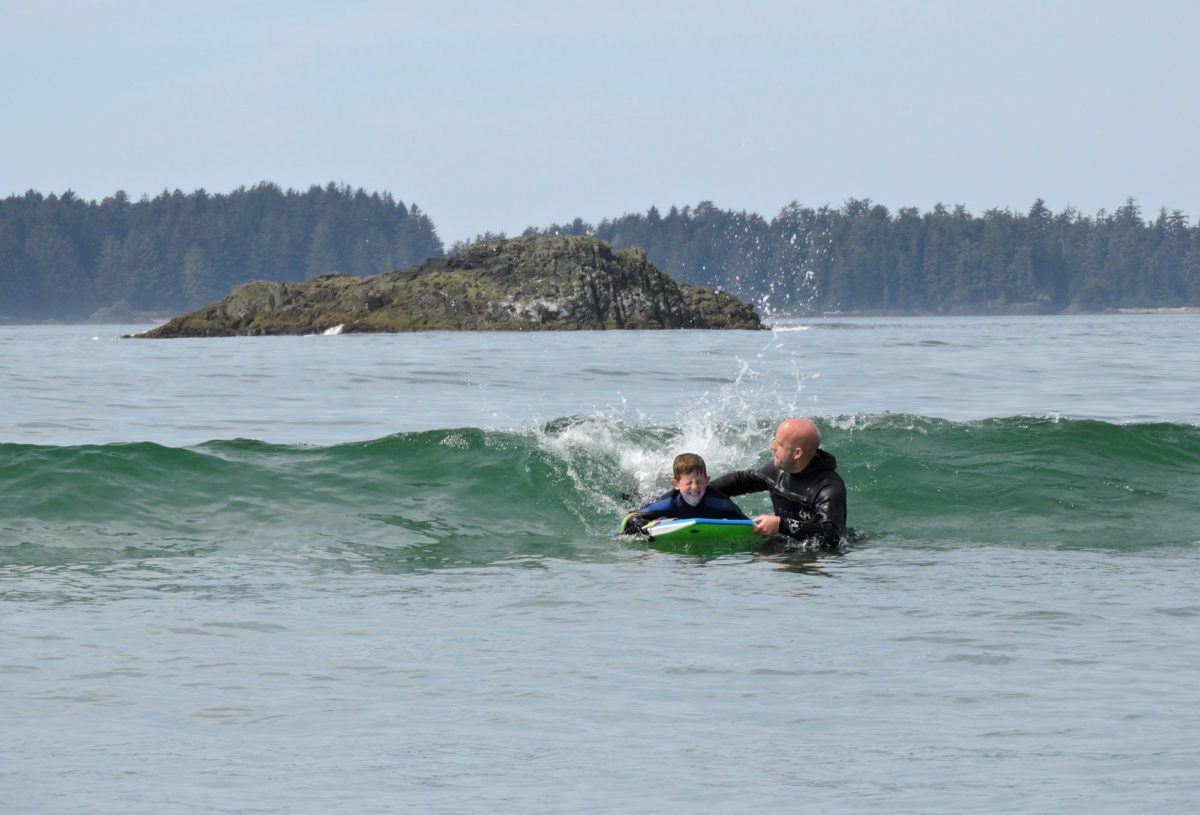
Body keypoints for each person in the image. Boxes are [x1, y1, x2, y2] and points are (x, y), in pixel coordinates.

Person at [710, 418, 847, 549]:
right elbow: (741, 481)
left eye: (780, 444)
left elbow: (832, 535)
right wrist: (703, 489)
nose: (772, 446)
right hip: (785, 543)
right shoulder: (777, 471)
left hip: (817, 555)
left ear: (797, 453)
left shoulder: (828, 487)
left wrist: (781, 525)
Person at [620, 452, 749, 535]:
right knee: (639, 500)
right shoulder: (668, 503)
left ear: (707, 481)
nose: (695, 487)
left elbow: (747, 524)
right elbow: (628, 518)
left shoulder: (719, 502)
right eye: (688, 483)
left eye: (699, 482)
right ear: (675, 484)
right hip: (658, 509)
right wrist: (647, 526)